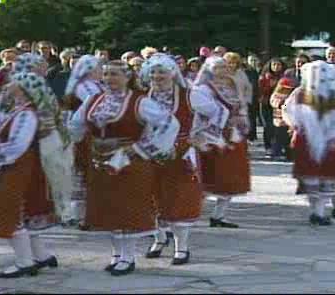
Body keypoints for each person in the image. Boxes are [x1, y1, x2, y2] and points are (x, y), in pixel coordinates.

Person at [69, 60, 179, 276]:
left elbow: (169, 123)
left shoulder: (139, 102)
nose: (110, 78)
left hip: (129, 163)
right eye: (107, 74)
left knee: (127, 208)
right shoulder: (93, 100)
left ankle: (128, 257)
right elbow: (75, 124)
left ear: (128, 78)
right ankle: (116, 255)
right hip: (100, 162)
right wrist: (76, 143)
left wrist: (142, 148)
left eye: (116, 74)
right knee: (108, 209)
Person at [141, 54, 228, 265]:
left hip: (181, 152)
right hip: (148, 153)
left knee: (179, 198)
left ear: (173, 73)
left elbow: (220, 112)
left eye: (162, 71)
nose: (157, 76)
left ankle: (182, 248)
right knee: (150, 198)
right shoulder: (142, 96)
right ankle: (159, 239)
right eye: (153, 72)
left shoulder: (190, 95)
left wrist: (203, 135)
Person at [0, 72, 72, 278]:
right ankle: (42, 256)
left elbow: (18, 145)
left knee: (12, 211)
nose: (7, 86)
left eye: (12, 83)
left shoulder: (26, 114)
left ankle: (24, 262)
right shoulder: (23, 111)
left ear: (24, 89)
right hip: (26, 168)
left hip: (20, 168)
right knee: (26, 212)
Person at [282, 61, 335, 225]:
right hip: (307, 141)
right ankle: (316, 212)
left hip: (331, 141)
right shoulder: (300, 94)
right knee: (312, 176)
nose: (319, 78)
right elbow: (287, 110)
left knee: (327, 176)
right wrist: (295, 125)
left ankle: (319, 212)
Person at [196, 56, 252, 228]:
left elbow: (241, 106)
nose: (222, 70)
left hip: (233, 136)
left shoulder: (231, 85)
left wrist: (242, 121)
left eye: (224, 67)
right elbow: (202, 110)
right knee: (207, 176)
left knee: (230, 176)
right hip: (212, 137)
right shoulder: (202, 89)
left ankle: (219, 215)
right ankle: (192, 213)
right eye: (218, 67)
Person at [63, 55, 104, 228]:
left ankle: (88, 214)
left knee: (89, 173)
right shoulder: (85, 86)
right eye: (99, 68)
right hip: (85, 134)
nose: (101, 71)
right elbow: (94, 106)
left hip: (92, 133)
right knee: (85, 172)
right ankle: (82, 216)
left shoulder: (95, 85)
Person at [258, 58, 286, 154]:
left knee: (278, 127)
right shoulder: (264, 77)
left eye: (278, 65)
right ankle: (268, 146)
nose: (276, 67)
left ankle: (277, 147)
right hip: (266, 105)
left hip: (278, 106)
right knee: (268, 126)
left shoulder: (284, 77)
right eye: (274, 65)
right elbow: (260, 91)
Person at [269, 77, 296, 160]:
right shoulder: (276, 95)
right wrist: (284, 105)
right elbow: (275, 103)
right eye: (284, 88)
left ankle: (290, 155)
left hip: (288, 121)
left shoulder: (291, 96)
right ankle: (275, 153)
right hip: (279, 120)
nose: (286, 90)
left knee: (288, 139)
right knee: (278, 138)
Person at [244, 55, 261, 142]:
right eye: (251, 60)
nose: (253, 62)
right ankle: (250, 135)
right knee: (249, 116)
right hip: (248, 97)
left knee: (253, 117)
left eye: (255, 60)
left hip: (257, 97)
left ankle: (253, 135)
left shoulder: (260, 71)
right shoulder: (246, 72)